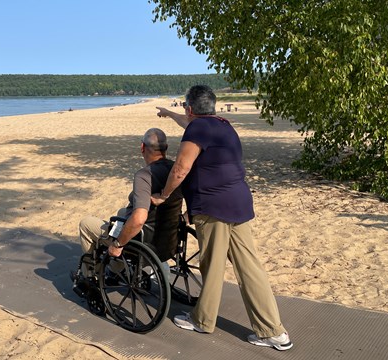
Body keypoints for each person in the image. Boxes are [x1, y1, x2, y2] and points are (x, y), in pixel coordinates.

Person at [152, 85, 293, 351]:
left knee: (212, 264)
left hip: (212, 207)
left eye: (185, 107)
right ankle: (273, 331)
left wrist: (163, 195)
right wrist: (169, 113)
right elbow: (189, 123)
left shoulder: (197, 129)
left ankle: (202, 320)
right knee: (249, 267)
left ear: (191, 108)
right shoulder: (223, 126)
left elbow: (181, 168)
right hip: (238, 203)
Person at [77, 128, 183, 273]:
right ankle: (118, 266)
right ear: (166, 148)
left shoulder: (144, 176)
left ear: (142, 147)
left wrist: (118, 244)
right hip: (168, 239)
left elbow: (139, 219)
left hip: (145, 241)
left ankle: (91, 273)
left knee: (86, 224)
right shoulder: (176, 171)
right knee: (122, 212)